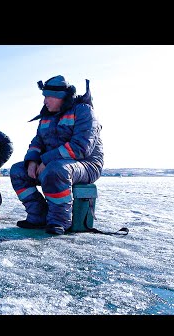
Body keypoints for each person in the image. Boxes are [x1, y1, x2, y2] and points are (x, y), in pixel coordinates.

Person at [10, 75, 104, 235]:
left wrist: (46, 160)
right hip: (54, 164)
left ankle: (59, 221)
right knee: (18, 171)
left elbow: (81, 147)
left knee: (56, 170)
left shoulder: (83, 111)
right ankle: (38, 216)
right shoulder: (46, 116)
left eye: (48, 97)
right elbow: (37, 141)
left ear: (60, 97)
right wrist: (32, 161)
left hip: (87, 164)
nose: (44, 101)